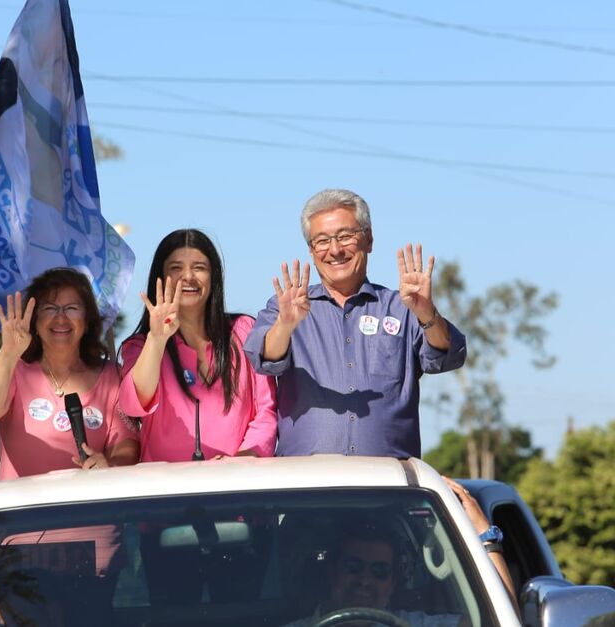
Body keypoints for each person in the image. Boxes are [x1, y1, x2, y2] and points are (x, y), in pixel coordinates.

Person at [244, 189, 467, 459]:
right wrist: (285, 325)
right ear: (311, 251)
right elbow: (264, 358)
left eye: (345, 236)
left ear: (369, 239)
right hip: (303, 484)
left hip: (386, 484)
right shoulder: (287, 307)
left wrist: (427, 313)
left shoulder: (403, 307)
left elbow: (448, 356)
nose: (335, 250)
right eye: (322, 241)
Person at [119, 229, 277, 461]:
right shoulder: (140, 346)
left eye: (199, 268)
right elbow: (133, 405)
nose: (188, 277)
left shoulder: (243, 330)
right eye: (176, 268)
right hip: (165, 490)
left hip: (239, 484)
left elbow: (266, 409)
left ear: (214, 277)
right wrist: (157, 339)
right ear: (159, 279)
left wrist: (244, 459)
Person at [0, 267, 139, 478]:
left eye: (71, 308)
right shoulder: (13, 368)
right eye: (50, 308)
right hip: (22, 508)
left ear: (87, 321)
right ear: (35, 320)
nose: (61, 318)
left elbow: (127, 443)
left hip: (88, 508)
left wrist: (111, 464)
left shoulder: (111, 376)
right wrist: (7, 353)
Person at [286, 483, 516, 627]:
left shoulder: (413, 623)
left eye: (379, 571)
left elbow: (501, 622)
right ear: (331, 571)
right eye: (353, 567)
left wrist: (487, 538)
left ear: (394, 582)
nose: (365, 581)